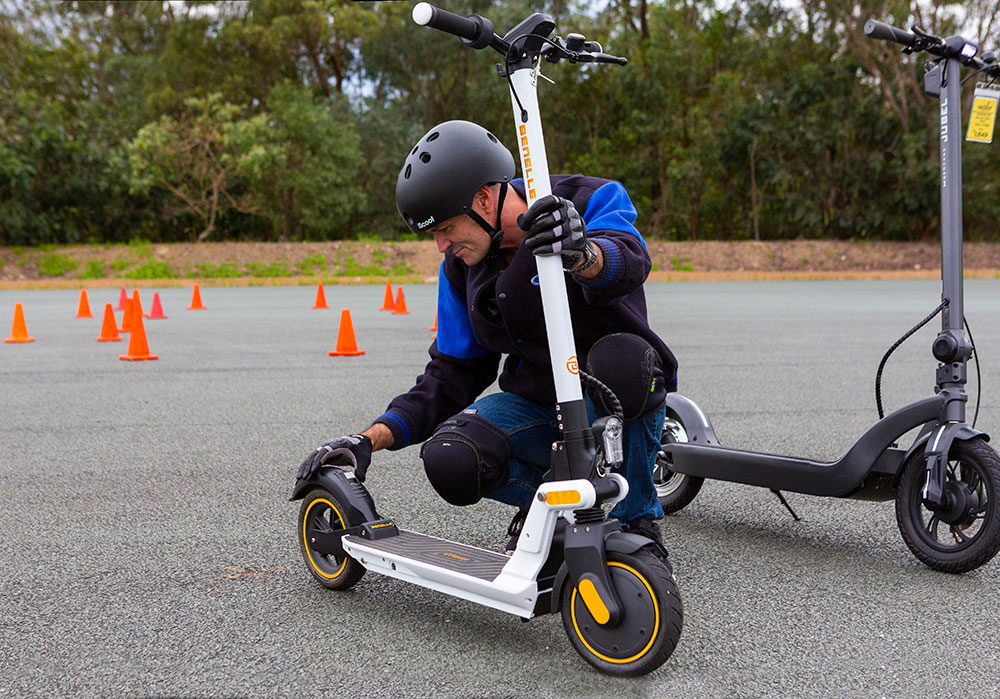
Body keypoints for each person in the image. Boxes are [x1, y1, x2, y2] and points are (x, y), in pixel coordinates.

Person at [297, 120, 678, 552]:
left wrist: (581, 252)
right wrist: (369, 438)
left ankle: (639, 517)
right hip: (539, 404)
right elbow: (452, 371)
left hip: (612, 395)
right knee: (451, 457)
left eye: (444, 228)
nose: (440, 245)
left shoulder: (590, 198)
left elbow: (627, 261)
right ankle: (551, 506)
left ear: (483, 199)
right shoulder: (461, 269)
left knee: (627, 360)